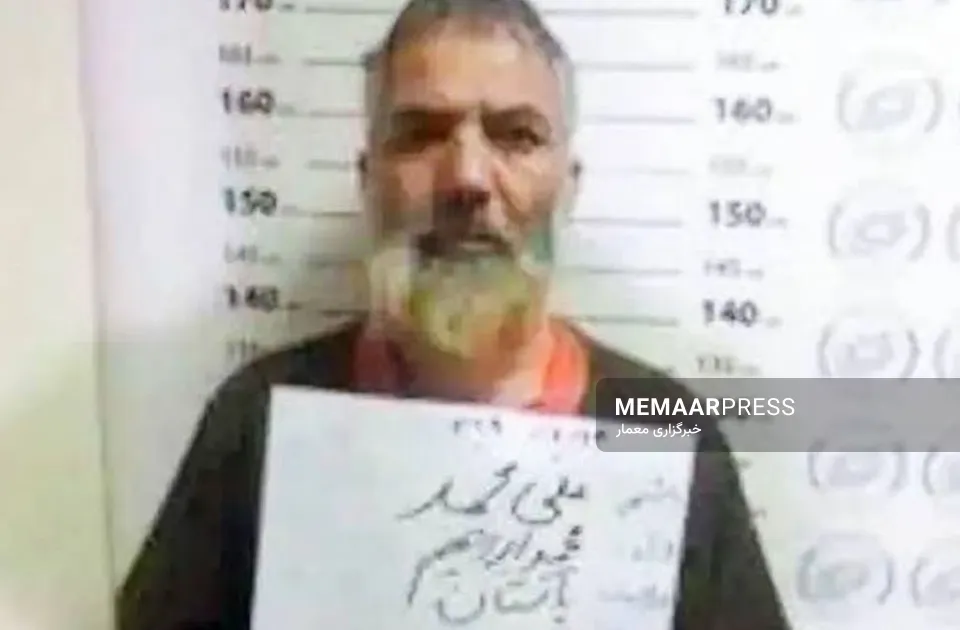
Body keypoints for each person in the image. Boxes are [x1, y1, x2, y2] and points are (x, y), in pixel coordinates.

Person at [117, 1, 790, 628]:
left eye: (516, 136)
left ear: (569, 189)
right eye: (421, 135)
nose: (466, 176)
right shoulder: (257, 416)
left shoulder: (666, 426)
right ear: (368, 181)